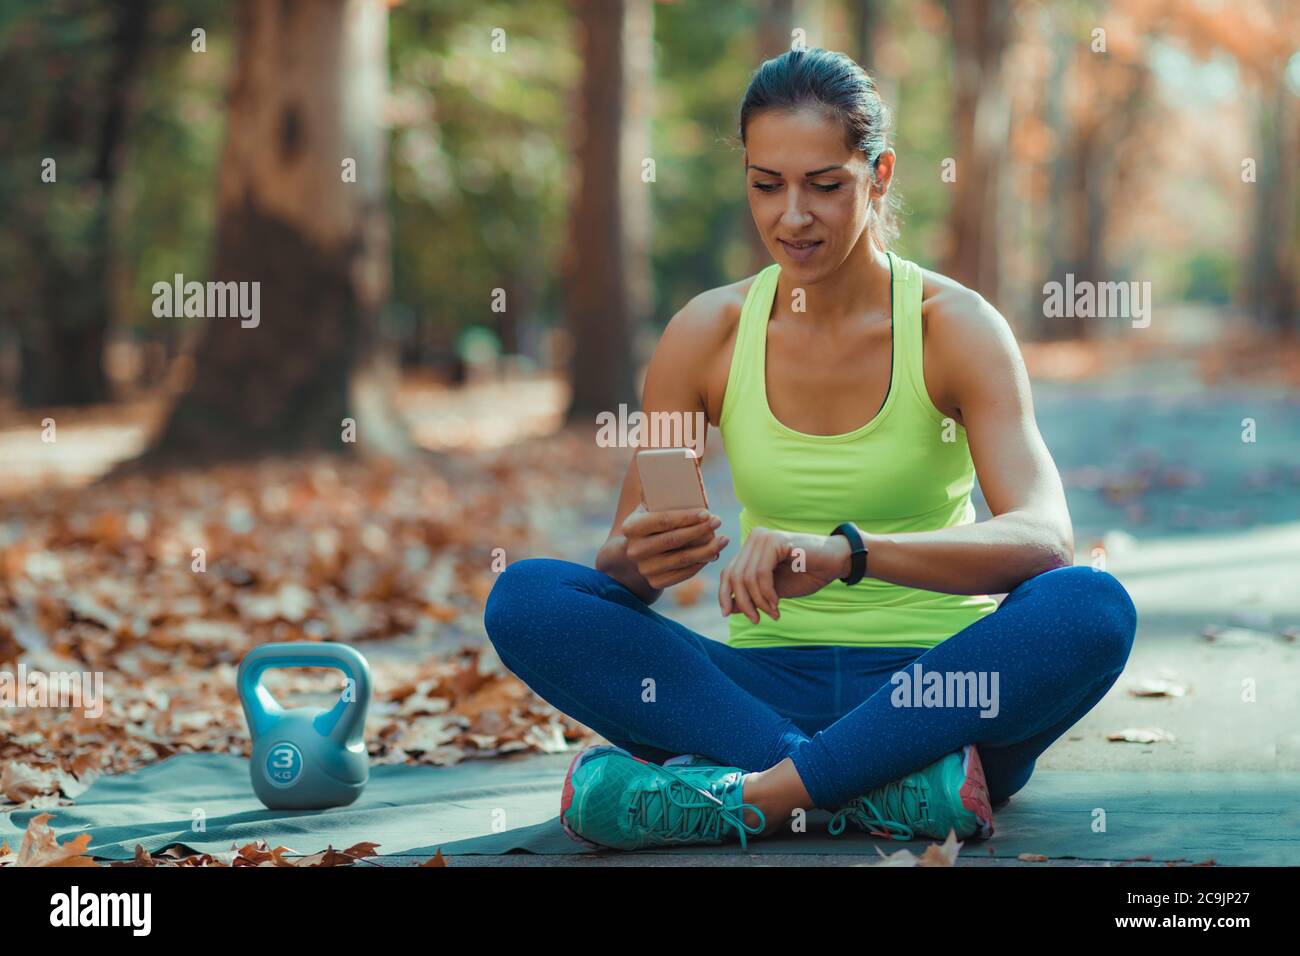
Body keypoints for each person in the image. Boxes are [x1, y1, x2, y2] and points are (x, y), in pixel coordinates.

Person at [484, 48, 1136, 852]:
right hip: (754, 696)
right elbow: (623, 575)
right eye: (767, 185)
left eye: (824, 185)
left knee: (1091, 605)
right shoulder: (707, 335)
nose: (792, 216)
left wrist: (849, 554)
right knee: (527, 600)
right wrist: (639, 556)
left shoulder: (954, 327)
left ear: (880, 174)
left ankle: (759, 796)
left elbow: (1043, 538)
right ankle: (872, 786)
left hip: (937, 691)